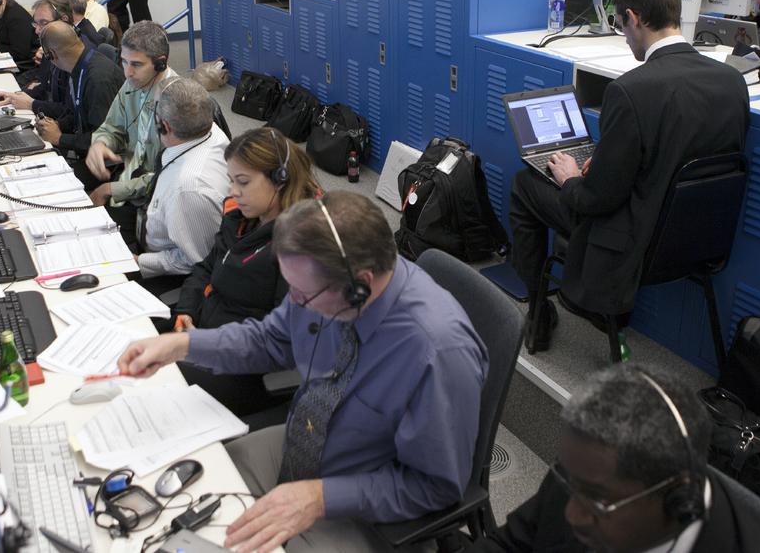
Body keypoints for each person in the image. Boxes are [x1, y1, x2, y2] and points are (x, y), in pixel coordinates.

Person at [117, 191, 489, 553]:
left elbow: (435, 486)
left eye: (302, 294)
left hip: (366, 507)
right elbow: (270, 339)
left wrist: (320, 498)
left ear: (361, 286)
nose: (293, 302)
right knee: (198, 485)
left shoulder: (436, 353)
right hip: (307, 440)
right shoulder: (326, 285)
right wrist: (183, 345)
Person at [509, 0, 750, 347]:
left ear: (634, 18)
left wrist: (571, 178)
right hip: (698, 240)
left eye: (621, 25)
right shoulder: (731, 81)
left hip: (637, 246)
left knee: (524, 186)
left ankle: (539, 313)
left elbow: (595, 200)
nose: (624, 37)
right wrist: (605, 161)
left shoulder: (630, 89)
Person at [469, 364, 760, 553]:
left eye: (596, 502)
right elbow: (509, 544)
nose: (571, 513)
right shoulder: (586, 473)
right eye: (570, 484)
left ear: (678, 498)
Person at [172, 128, 323, 416]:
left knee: (154, 384)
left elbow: (281, 336)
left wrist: (204, 345)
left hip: (244, 367)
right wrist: (186, 309)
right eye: (231, 181)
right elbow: (206, 267)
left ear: (281, 179)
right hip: (204, 334)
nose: (233, 192)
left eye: (243, 182)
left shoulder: (302, 245)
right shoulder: (241, 218)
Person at [133, 77, 230, 293]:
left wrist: (140, 262)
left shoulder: (188, 189)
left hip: (167, 272)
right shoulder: (206, 127)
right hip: (154, 223)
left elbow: (196, 260)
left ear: (164, 125)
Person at [85, 21, 178, 239]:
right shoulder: (132, 84)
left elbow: (166, 176)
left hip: (154, 198)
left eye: (136, 64)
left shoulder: (176, 103)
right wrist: (101, 143)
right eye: (124, 61)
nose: (127, 72)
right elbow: (111, 127)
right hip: (127, 179)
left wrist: (111, 189)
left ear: (160, 64)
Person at [33, 21, 121, 160]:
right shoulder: (79, 65)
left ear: (52, 55)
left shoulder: (97, 80)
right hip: (85, 149)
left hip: (105, 162)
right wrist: (57, 125)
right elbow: (77, 112)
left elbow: (105, 139)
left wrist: (59, 138)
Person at [0, 0, 72, 116]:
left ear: (64, 21)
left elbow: (70, 111)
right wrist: (14, 96)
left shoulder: (72, 57)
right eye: (35, 24)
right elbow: (45, 88)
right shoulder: (51, 48)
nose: (37, 30)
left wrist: (32, 104)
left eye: (43, 23)